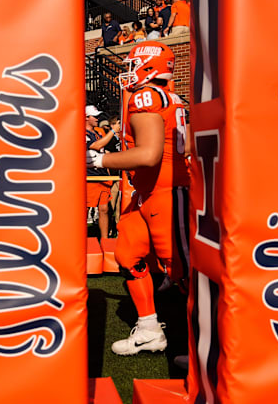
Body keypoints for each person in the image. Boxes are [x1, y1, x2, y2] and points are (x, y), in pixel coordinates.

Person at [86, 41, 189, 355]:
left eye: (133, 64)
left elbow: (148, 154)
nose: (128, 71)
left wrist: (100, 160)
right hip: (149, 193)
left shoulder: (147, 96)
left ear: (147, 66)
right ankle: (148, 329)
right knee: (128, 255)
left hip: (166, 192)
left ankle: (206, 342)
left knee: (183, 271)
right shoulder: (171, 96)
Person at [85, 105, 115, 240]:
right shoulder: (82, 132)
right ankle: (80, 239)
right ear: (86, 118)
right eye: (94, 116)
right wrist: (113, 132)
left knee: (104, 209)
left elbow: (102, 151)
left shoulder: (98, 132)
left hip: (102, 175)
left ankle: (105, 241)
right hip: (88, 176)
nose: (97, 119)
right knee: (83, 211)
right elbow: (96, 146)